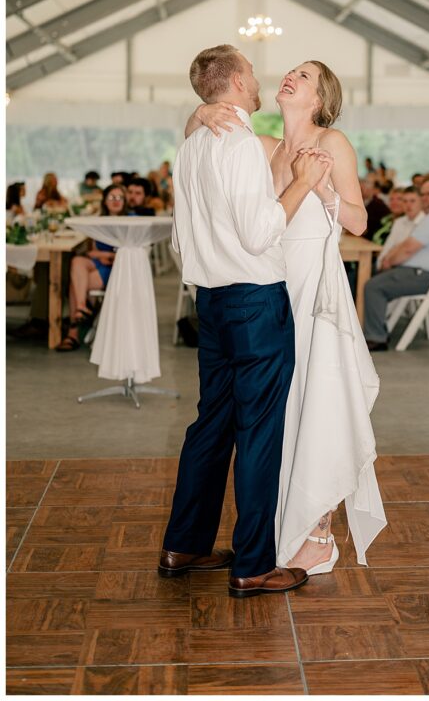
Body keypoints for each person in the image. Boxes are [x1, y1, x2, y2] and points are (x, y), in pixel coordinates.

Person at [185, 53, 386, 581]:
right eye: (291, 71)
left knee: (315, 402)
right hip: (271, 288)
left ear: (320, 98)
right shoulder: (265, 147)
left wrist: (320, 188)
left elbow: (361, 222)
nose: (291, 75)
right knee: (280, 412)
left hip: (313, 291)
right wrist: (202, 114)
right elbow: (204, 136)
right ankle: (279, 528)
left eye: (306, 75)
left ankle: (317, 532)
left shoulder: (334, 144)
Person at [162, 46, 331, 597]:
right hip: (254, 301)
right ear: (236, 82)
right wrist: (301, 182)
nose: (260, 80)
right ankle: (254, 564)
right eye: (253, 73)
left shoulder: (189, 147)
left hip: (210, 302)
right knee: (258, 432)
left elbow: (180, 240)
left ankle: (184, 543)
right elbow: (260, 233)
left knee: (210, 424)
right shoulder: (235, 144)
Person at [363, 176, 429, 351]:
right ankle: (372, 331)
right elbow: (407, 246)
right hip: (422, 273)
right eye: (423, 194)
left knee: (373, 286)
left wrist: (389, 261)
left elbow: (408, 248)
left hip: (427, 276)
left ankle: (376, 338)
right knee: (372, 282)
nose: (425, 198)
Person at [55, 185, 126, 352]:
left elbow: (132, 252)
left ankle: (73, 333)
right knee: (77, 262)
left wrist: (107, 256)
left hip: (118, 269)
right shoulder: (99, 220)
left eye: (119, 198)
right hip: (101, 263)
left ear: (124, 201)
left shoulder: (130, 220)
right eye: (111, 197)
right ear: (105, 201)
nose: (115, 201)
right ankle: (81, 307)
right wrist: (102, 255)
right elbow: (92, 251)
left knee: (76, 283)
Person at [376, 186, 424, 270]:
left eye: (412, 201)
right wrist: (380, 264)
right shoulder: (399, 222)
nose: (408, 205)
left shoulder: (425, 222)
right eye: (405, 201)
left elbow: (407, 251)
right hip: (389, 265)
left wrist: (388, 260)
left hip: (408, 268)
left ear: (421, 202)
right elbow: (388, 246)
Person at [360, 176, 390, 241]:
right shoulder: (362, 202)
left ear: (373, 190)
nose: (361, 192)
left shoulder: (379, 205)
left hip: (373, 240)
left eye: (363, 189)